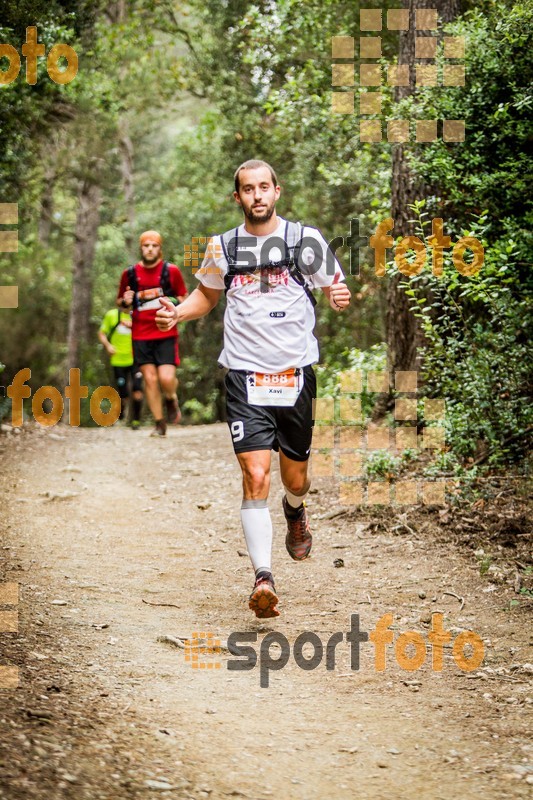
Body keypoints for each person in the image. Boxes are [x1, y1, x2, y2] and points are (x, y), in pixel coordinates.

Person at [156, 160, 351, 617]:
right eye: (248, 189)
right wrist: (177, 314)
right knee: (255, 476)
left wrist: (339, 295)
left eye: (264, 187)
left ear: (277, 192)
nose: (257, 195)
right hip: (245, 376)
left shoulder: (305, 240)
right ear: (238, 197)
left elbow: (334, 285)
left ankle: (295, 510)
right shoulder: (221, 247)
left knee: (294, 478)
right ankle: (263, 577)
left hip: (295, 373)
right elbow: (206, 296)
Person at [117, 231, 188, 436]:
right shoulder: (129, 274)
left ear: (160, 248)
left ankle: (171, 398)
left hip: (165, 332)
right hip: (140, 334)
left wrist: (172, 303)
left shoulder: (170, 271)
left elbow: (184, 298)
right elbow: (121, 303)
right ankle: (159, 423)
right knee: (149, 379)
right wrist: (126, 301)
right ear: (141, 248)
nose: (150, 249)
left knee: (166, 378)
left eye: (154, 245)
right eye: (146, 245)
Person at [98, 306, 143, 428]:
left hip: (136, 359)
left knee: (137, 390)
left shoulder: (139, 315)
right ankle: (121, 415)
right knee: (123, 393)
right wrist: (108, 346)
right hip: (118, 360)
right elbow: (101, 333)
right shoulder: (112, 315)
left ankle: (136, 420)